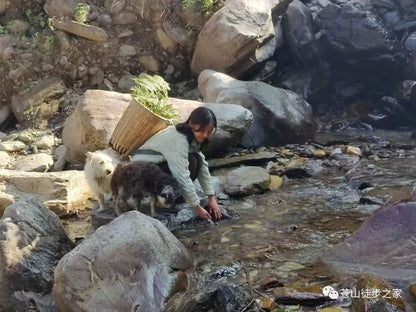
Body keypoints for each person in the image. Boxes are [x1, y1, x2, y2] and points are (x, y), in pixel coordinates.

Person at [132, 107, 222, 219]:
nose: (204, 135)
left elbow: (203, 167)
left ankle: (174, 197)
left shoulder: (191, 138)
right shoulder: (178, 140)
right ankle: (162, 203)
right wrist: (197, 207)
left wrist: (211, 198)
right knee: (192, 161)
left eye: (208, 132)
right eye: (202, 130)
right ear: (191, 124)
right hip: (140, 174)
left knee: (197, 159)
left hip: (156, 167)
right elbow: (181, 175)